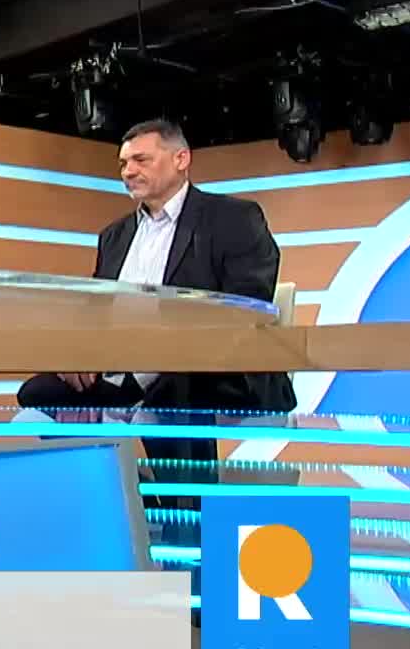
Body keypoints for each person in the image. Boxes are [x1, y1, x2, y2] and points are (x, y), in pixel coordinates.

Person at [16, 118, 296, 475]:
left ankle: (187, 504)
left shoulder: (233, 219)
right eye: (123, 164)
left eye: (141, 160)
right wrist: (78, 354)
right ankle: (123, 488)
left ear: (181, 159)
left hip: (203, 368)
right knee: (38, 393)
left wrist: (164, 349)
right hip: (120, 371)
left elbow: (246, 305)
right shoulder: (114, 236)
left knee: (171, 393)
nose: (128, 172)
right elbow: (96, 311)